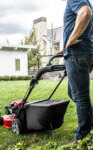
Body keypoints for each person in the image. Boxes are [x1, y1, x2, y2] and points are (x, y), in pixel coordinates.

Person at [56, 0, 93, 145]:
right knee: (73, 93)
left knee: (80, 96)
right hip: (84, 52)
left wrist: (70, 40)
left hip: (77, 54)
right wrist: (65, 47)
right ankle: (89, 123)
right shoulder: (85, 1)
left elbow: (85, 13)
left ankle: (82, 136)